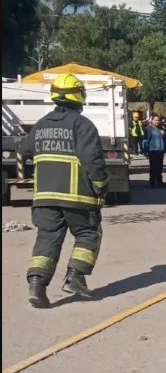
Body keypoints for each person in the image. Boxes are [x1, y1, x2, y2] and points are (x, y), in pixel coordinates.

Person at [19, 74, 108, 308]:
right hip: (78, 197)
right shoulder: (82, 124)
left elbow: (25, 149)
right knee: (89, 233)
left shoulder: (41, 124)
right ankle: (75, 277)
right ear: (78, 96)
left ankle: (37, 285)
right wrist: (101, 186)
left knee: (47, 239)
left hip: (45, 198)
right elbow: (92, 160)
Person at [143, 114, 166, 187]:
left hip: (160, 151)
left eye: (158, 120)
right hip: (152, 151)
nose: (157, 122)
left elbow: (165, 140)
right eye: (155, 120)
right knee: (153, 167)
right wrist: (145, 150)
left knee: (160, 167)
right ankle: (152, 182)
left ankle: (159, 182)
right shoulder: (149, 129)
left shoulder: (162, 129)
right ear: (152, 120)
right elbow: (146, 140)